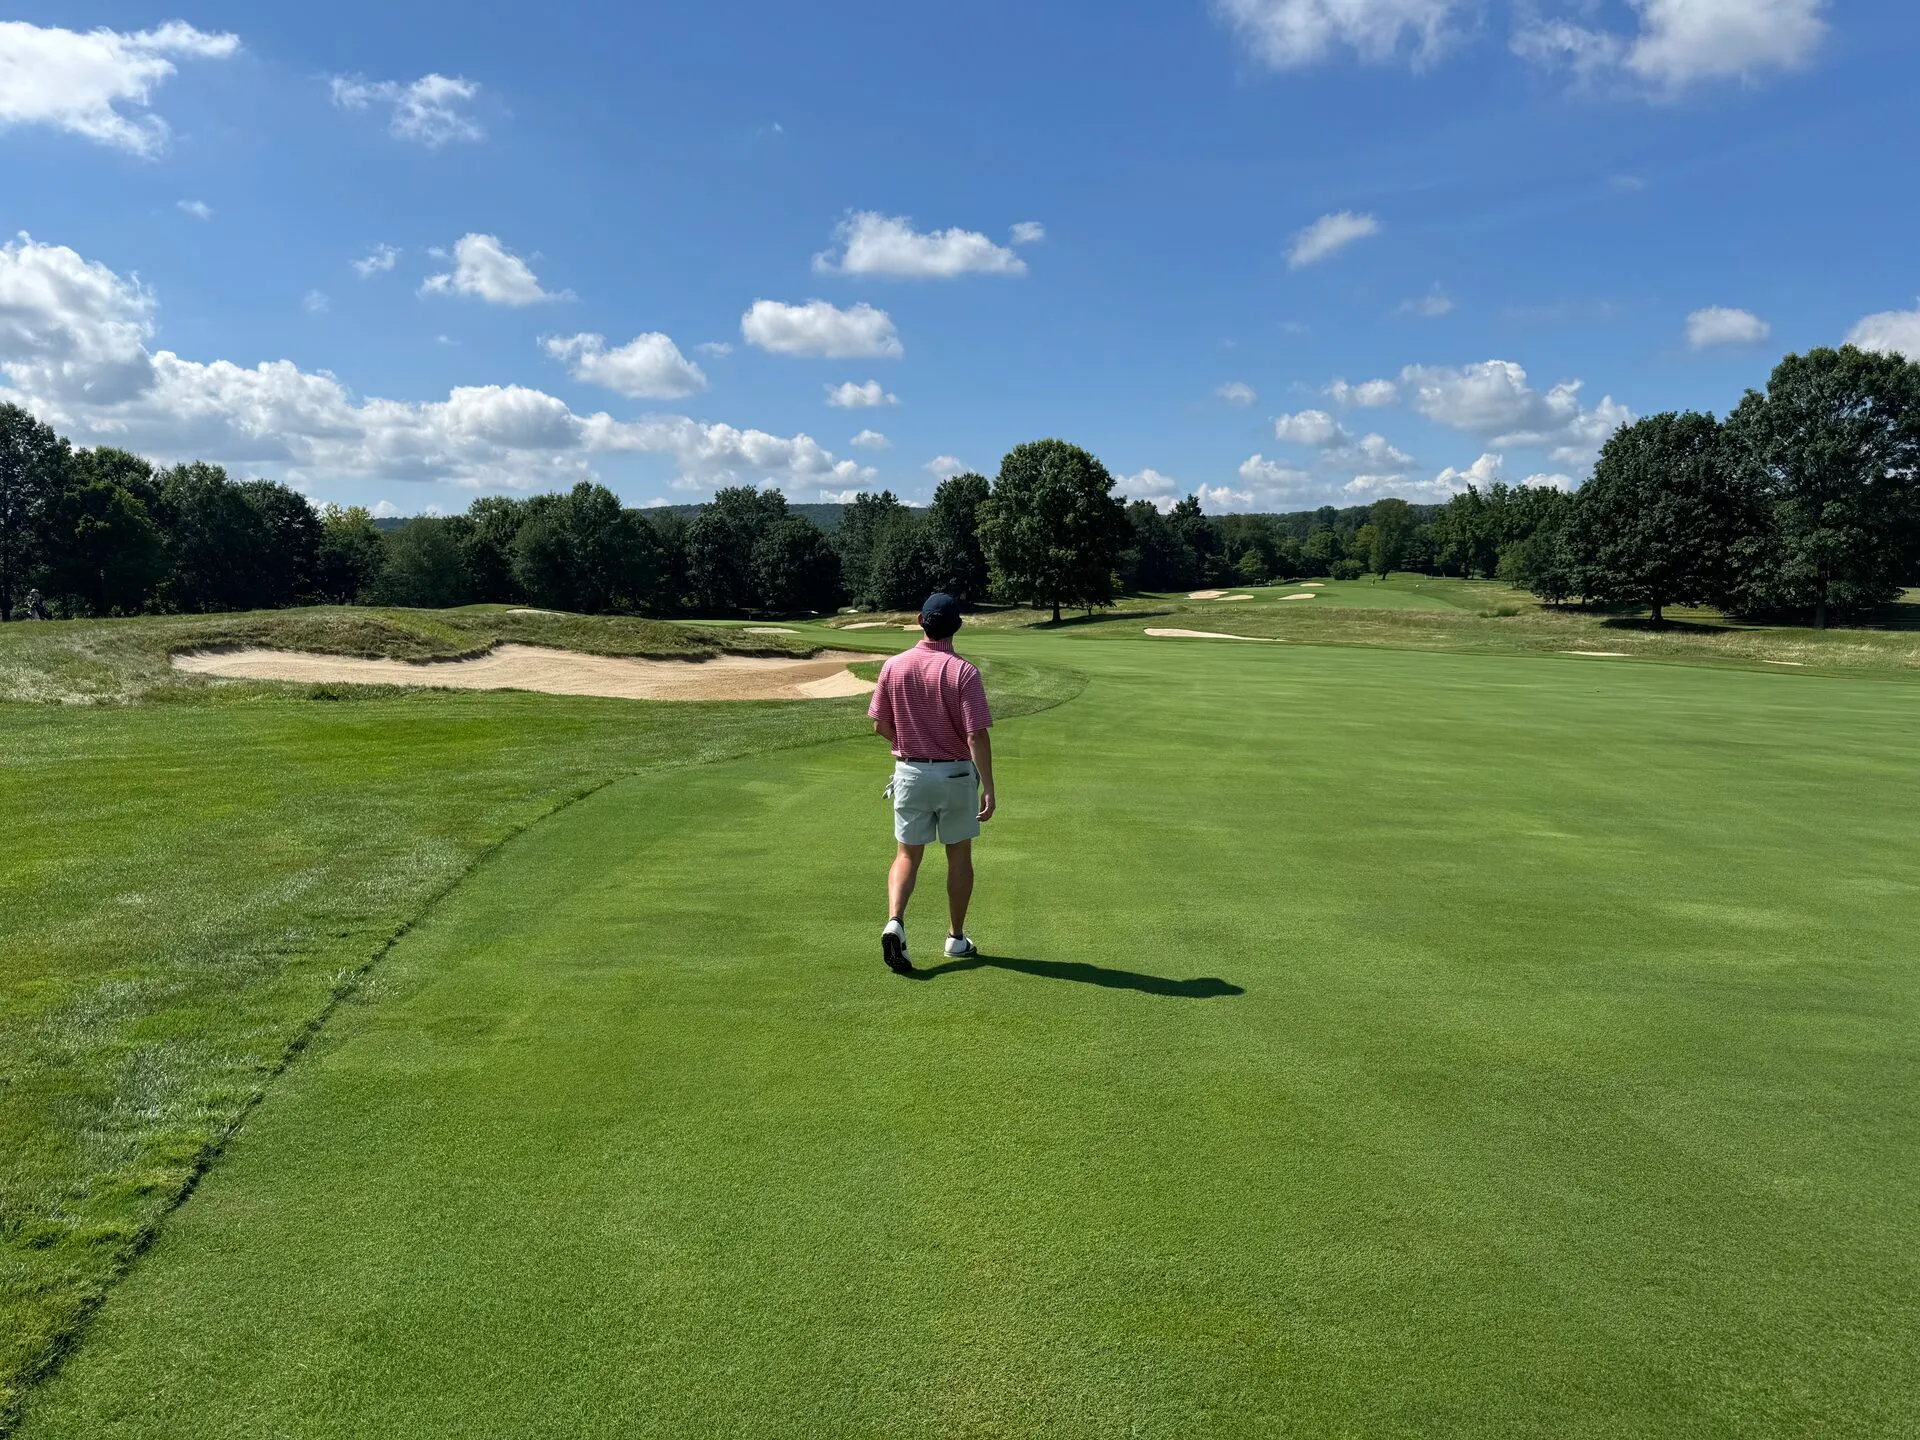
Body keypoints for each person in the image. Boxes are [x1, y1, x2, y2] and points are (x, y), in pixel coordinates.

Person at [867, 592, 997, 975]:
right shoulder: (964, 672)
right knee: (958, 856)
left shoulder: (893, 666)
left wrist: (907, 744)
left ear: (920, 621)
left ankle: (895, 921)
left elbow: (879, 724)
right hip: (955, 774)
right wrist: (988, 786)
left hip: (910, 773)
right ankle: (956, 938)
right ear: (956, 626)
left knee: (907, 855)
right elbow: (976, 735)